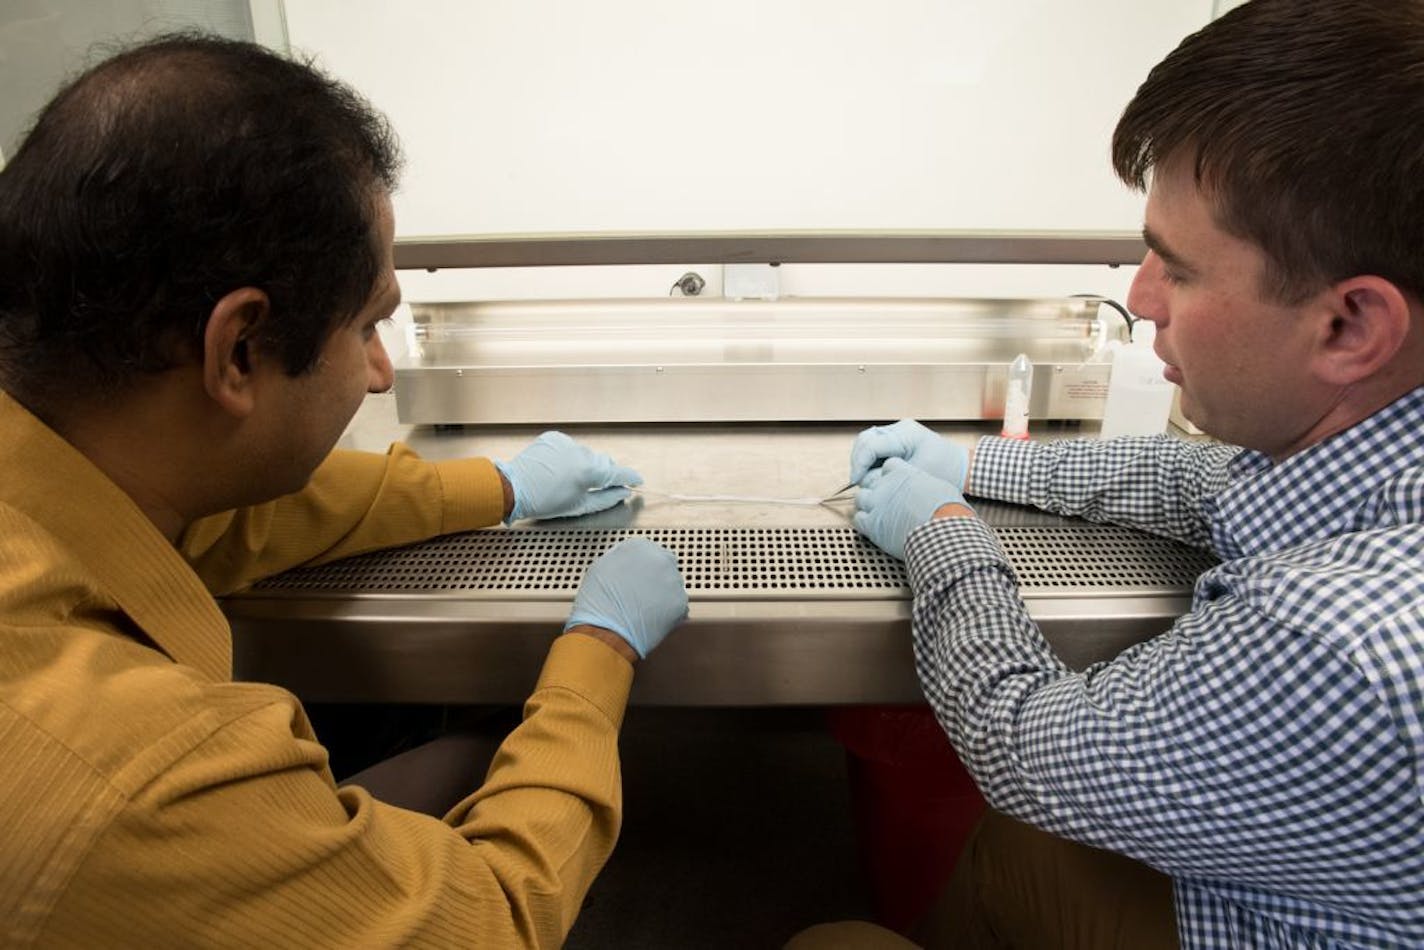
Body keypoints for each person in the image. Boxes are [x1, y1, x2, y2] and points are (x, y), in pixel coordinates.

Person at [0, 33, 689, 948]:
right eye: (368, 322)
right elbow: (495, 915)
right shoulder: (133, 773)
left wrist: (499, 488)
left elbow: (233, 519)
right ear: (239, 349)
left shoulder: (62, 462)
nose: (377, 374)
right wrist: (599, 649)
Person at [797, 1, 1424, 947]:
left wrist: (944, 535)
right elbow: (1211, 484)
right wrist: (975, 462)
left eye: (1177, 270)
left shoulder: (1335, 642)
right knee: (1027, 854)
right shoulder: (1374, 445)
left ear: (1351, 326)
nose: (1139, 299)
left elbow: (1022, 739)